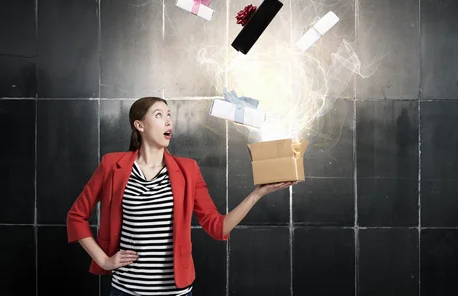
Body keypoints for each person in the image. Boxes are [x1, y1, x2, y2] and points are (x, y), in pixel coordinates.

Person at [67, 96, 296, 296]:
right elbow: (76, 217)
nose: (168, 121)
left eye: (169, 115)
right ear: (139, 125)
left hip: (175, 293)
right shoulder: (112, 165)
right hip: (126, 290)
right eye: (159, 115)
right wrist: (104, 260)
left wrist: (258, 194)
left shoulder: (188, 170)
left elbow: (218, 227)